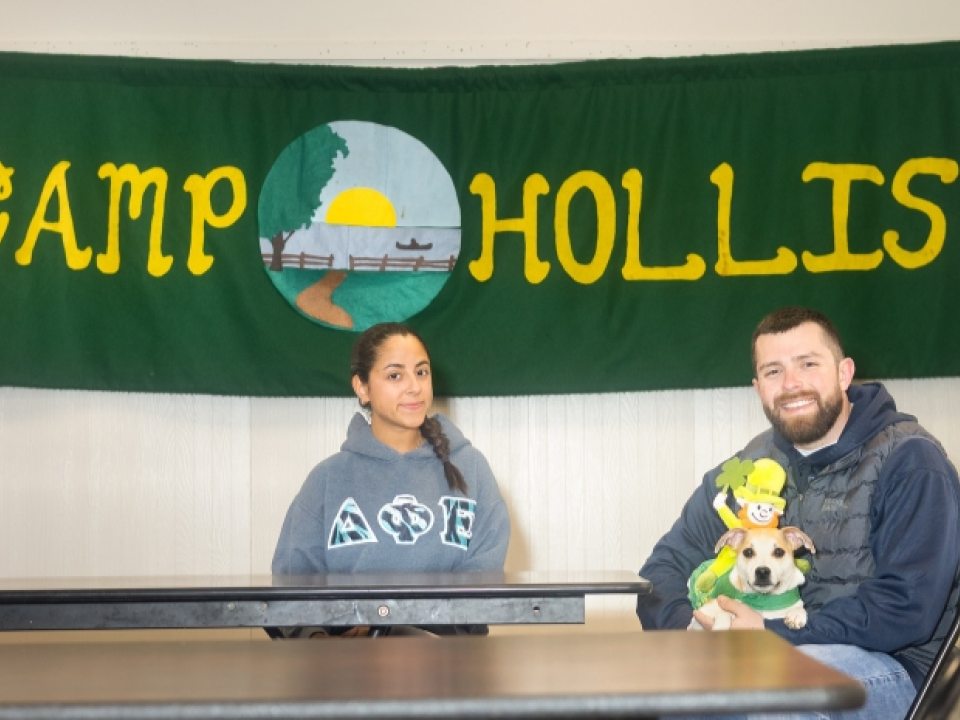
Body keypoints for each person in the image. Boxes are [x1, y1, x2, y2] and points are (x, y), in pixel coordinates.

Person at [637, 306, 960, 719]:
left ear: (844, 373)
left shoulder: (911, 461)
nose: (792, 384)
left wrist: (773, 634)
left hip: (897, 670)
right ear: (758, 388)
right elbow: (662, 569)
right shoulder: (748, 469)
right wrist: (696, 629)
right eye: (773, 371)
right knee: (677, 697)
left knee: (771, 702)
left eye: (808, 364)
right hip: (766, 656)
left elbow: (905, 607)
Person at [272, 321, 510, 635]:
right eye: (395, 375)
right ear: (362, 387)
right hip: (351, 672)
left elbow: (484, 578)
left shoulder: (472, 469)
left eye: (422, 372)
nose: (414, 386)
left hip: (451, 667)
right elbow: (292, 590)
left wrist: (411, 634)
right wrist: (333, 638)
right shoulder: (327, 480)